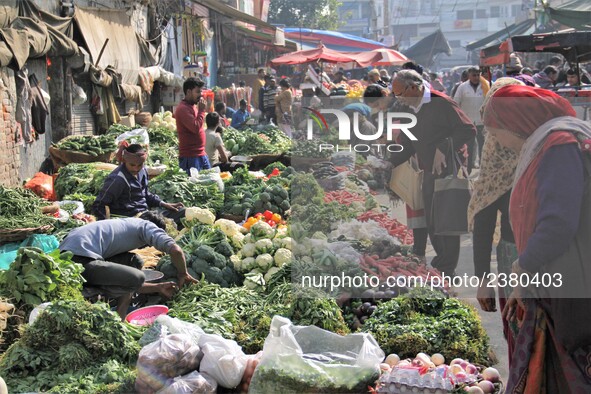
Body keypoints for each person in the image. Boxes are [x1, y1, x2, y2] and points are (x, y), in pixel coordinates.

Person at [482, 85, 591, 393]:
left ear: (515, 124)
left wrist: (523, 266)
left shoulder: (559, 146)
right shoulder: (549, 143)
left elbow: (557, 223)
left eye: (495, 131)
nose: (496, 141)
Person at [389, 70, 476, 276]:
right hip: (428, 171)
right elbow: (409, 143)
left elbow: (468, 130)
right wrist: (387, 162)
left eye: (400, 93)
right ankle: (441, 266)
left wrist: (443, 147)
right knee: (433, 222)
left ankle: (446, 269)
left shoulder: (441, 103)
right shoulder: (412, 109)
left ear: (414, 87)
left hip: (446, 171)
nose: (399, 99)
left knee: (446, 223)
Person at [469, 78, 524, 366]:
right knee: (520, 333)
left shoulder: (545, 146)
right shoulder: (496, 150)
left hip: (555, 259)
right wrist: (482, 280)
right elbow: (484, 216)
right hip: (513, 256)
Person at [59, 211, 197, 319]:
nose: (146, 246)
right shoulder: (147, 226)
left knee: (133, 261)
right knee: (137, 277)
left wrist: (158, 287)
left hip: (67, 257)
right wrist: (182, 273)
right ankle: (103, 298)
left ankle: (121, 315)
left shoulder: (125, 223)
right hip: (78, 262)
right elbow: (176, 250)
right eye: (149, 244)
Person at [92, 144, 185, 223]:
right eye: (132, 165)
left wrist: (164, 204)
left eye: (140, 165)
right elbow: (99, 205)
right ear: (125, 161)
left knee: (182, 212)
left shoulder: (143, 171)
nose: (136, 168)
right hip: (130, 220)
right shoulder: (117, 179)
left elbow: (145, 194)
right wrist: (106, 226)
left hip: (146, 214)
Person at [174, 78, 210, 174]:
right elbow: (195, 128)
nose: (200, 95)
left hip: (200, 154)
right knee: (196, 186)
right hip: (191, 157)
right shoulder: (183, 109)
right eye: (197, 92)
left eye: (201, 91)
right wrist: (202, 111)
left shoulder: (192, 106)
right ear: (189, 92)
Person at [453, 66, 486, 173]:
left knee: (483, 147)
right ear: (469, 75)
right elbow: (456, 103)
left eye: (478, 75)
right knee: (469, 147)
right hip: (467, 122)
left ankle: (483, 170)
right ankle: (468, 171)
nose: (476, 77)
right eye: (474, 75)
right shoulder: (462, 87)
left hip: (481, 121)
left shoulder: (485, 86)